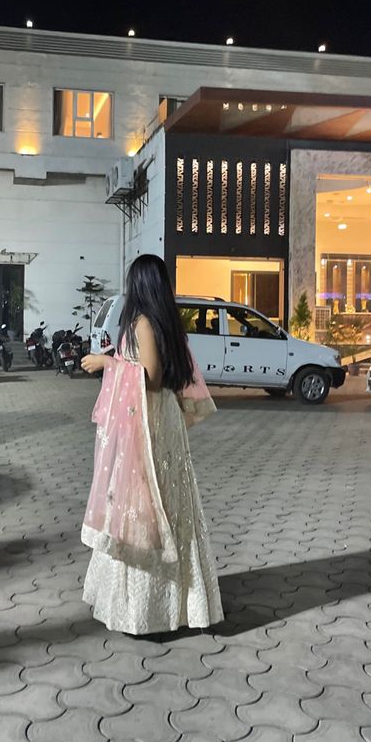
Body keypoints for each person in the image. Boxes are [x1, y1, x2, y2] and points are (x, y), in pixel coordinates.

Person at [80, 254, 224, 635]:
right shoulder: (164, 322)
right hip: (157, 420)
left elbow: (153, 378)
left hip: (152, 424)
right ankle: (179, 602)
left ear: (139, 285)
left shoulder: (143, 322)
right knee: (164, 502)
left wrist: (105, 363)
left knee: (146, 503)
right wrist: (115, 358)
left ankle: (148, 610)